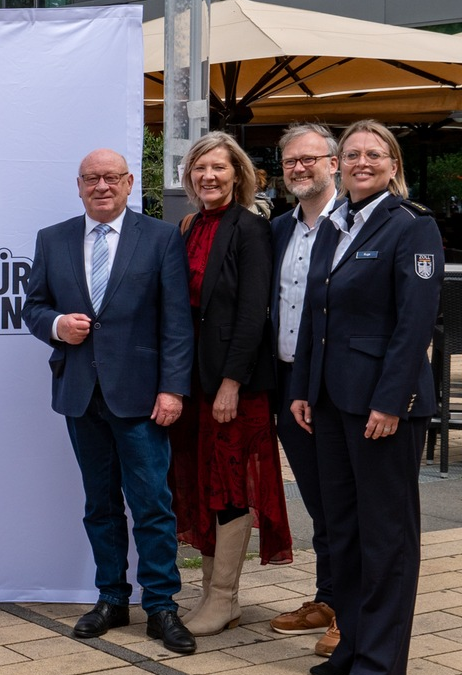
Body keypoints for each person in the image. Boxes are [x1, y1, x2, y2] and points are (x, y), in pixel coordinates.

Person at [24, 149, 196, 654]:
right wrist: (58, 325)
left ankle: (161, 605)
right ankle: (112, 598)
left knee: (152, 505)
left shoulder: (160, 237)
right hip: (81, 394)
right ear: (79, 185)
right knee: (99, 505)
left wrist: (173, 388)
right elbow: (33, 306)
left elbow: (177, 322)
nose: (101, 186)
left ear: (129, 182)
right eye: (91, 178)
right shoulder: (52, 239)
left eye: (111, 178)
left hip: (142, 396)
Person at [290, 119, 442, 675]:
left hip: (382, 408)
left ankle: (378, 662)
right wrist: (303, 388)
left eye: (374, 154)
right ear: (339, 164)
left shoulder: (412, 226)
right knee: (346, 534)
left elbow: (414, 324)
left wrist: (390, 401)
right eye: (352, 153)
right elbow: (315, 315)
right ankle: (350, 650)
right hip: (331, 404)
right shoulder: (335, 226)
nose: (361, 162)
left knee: (386, 540)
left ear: (392, 165)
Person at [168, 131, 292, 637]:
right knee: (203, 482)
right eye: (199, 168)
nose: (208, 176)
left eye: (218, 167)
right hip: (193, 380)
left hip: (232, 386)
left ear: (237, 173)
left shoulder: (250, 228)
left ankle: (224, 598)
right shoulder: (187, 226)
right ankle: (210, 594)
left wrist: (231, 384)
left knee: (230, 485)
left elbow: (253, 314)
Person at [267, 124, 340, 652]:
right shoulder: (277, 229)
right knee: (317, 497)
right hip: (288, 378)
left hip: (336, 384)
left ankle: (351, 613)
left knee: (345, 500)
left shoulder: (355, 225)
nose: (299, 168)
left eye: (309, 159)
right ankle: (328, 597)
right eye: (291, 160)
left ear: (333, 163)